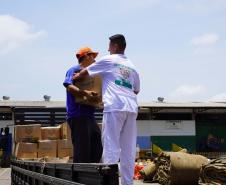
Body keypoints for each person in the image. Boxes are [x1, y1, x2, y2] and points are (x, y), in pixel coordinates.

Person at [73, 34, 140, 185]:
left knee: (111, 147)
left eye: (109, 46)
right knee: (128, 150)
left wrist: (76, 76)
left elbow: (87, 71)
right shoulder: (132, 65)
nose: (107, 49)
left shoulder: (108, 60)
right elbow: (136, 89)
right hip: (131, 108)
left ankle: (109, 183)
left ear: (115, 46)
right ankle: (128, 183)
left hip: (114, 107)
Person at [63, 47, 103, 163]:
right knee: (82, 151)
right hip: (78, 115)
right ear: (86, 56)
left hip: (89, 116)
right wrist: (85, 93)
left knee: (97, 148)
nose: (95, 60)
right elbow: (68, 85)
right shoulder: (74, 70)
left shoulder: (92, 74)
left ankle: (91, 175)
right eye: (93, 57)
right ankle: (80, 178)